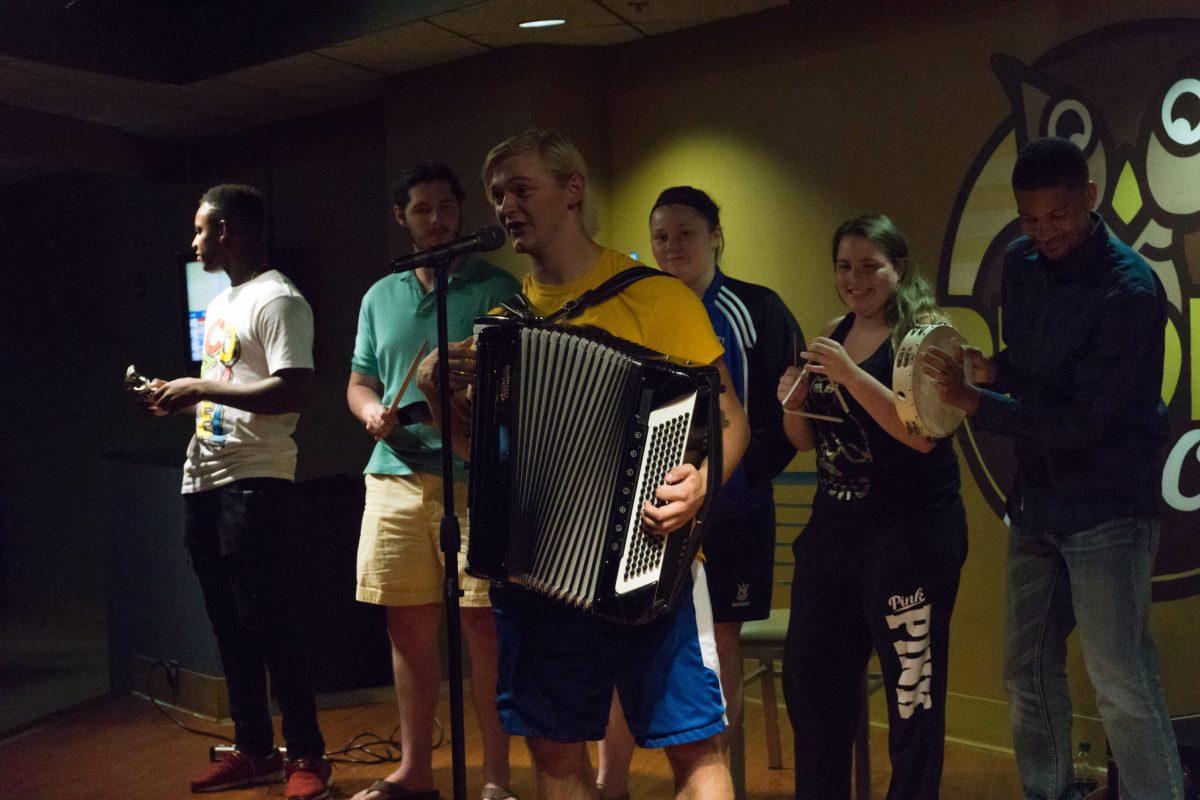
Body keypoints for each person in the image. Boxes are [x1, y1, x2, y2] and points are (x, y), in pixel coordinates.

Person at [417, 129, 750, 800]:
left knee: (695, 748)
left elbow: (732, 420)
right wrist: (435, 398)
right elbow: (483, 459)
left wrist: (702, 484)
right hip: (540, 569)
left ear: (572, 192)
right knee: (556, 754)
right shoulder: (501, 326)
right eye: (497, 193)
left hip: (650, 556)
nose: (506, 205)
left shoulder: (656, 298)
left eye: (521, 188)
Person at [925, 137, 1184, 799]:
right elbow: (1035, 371)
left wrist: (976, 402)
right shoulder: (1021, 264)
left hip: (1107, 507)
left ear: (1090, 197)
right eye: (1031, 220)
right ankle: (1050, 792)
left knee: (1121, 683)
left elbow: (1082, 422)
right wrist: (993, 370)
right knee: (1026, 672)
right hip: (1036, 501)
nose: (1045, 232)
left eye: (1058, 217)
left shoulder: (1130, 289)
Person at [596, 186, 803, 798]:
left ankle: (718, 774)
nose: (671, 247)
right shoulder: (634, 306)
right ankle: (613, 782)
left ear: (716, 235)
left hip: (734, 511)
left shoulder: (756, 308)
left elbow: (786, 407)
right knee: (624, 635)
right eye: (660, 236)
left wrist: (743, 477)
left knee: (723, 645)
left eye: (685, 233)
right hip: (652, 507)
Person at [142, 184, 331, 800]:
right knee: (229, 624)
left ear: (228, 230)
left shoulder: (278, 299)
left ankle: (307, 755)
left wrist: (197, 389)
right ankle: (255, 750)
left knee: (269, 621)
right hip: (205, 478)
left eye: (200, 230)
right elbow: (230, 386)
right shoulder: (225, 302)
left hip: (256, 481)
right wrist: (179, 396)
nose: (194, 242)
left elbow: (296, 390)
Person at [775, 214, 967, 799]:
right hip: (833, 535)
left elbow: (921, 433)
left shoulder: (928, 334)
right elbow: (804, 440)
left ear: (899, 268)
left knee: (911, 696)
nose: (854, 280)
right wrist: (794, 396)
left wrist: (850, 374)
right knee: (812, 688)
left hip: (909, 539)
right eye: (843, 267)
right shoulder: (835, 329)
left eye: (868, 266)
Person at [346, 163, 520, 800]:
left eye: (448, 207)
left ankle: (497, 779)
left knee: (486, 632)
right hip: (393, 476)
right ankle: (415, 771)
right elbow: (360, 379)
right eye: (424, 209)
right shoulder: (378, 295)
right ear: (402, 216)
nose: (439, 219)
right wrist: (370, 412)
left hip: (475, 475)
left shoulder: (496, 285)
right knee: (409, 629)